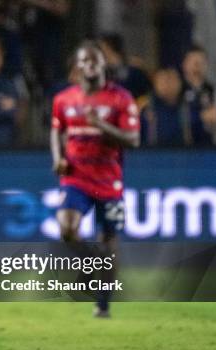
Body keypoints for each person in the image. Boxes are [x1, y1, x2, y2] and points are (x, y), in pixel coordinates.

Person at [50, 41, 139, 318]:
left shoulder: (121, 99)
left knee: (108, 238)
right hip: (76, 176)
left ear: (103, 65)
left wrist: (101, 125)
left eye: (95, 60)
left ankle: (103, 303)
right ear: (78, 66)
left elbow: (133, 140)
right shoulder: (64, 99)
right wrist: (58, 157)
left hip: (109, 179)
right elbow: (56, 131)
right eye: (84, 61)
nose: (90, 65)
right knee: (66, 228)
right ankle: (92, 263)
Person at [141, 68, 191, 146]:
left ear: (180, 83)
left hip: (186, 155)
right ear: (155, 84)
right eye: (164, 80)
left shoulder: (190, 107)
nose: (168, 85)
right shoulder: (143, 107)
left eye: (172, 80)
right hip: (151, 155)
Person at [97, 33, 151, 103]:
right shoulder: (101, 72)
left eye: (101, 48)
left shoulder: (133, 68)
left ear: (109, 47)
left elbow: (147, 93)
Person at [181, 45, 216, 145]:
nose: (197, 67)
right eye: (193, 62)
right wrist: (201, 116)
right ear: (184, 64)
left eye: (201, 62)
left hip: (210, 147)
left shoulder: (213, 91)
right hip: (183, 148)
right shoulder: (178, 90)